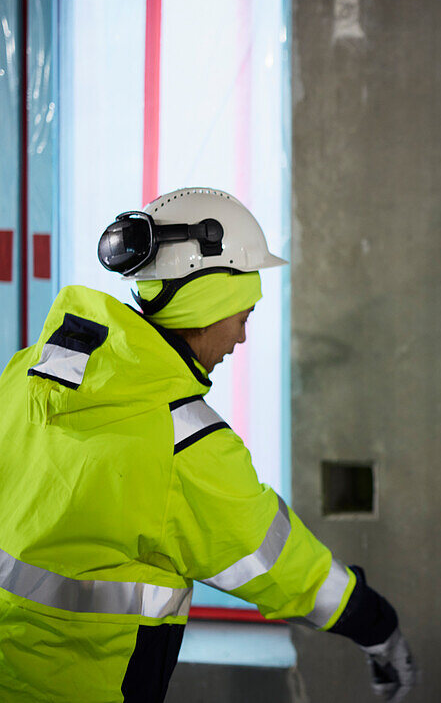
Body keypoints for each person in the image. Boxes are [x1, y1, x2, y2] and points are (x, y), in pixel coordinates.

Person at [0, 188, 417, 702]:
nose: (241, 339)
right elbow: (277, 563)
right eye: (242, 317)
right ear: (209, 303)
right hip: (82, 685)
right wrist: (376, 623)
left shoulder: (31, 375)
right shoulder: (182, 440)